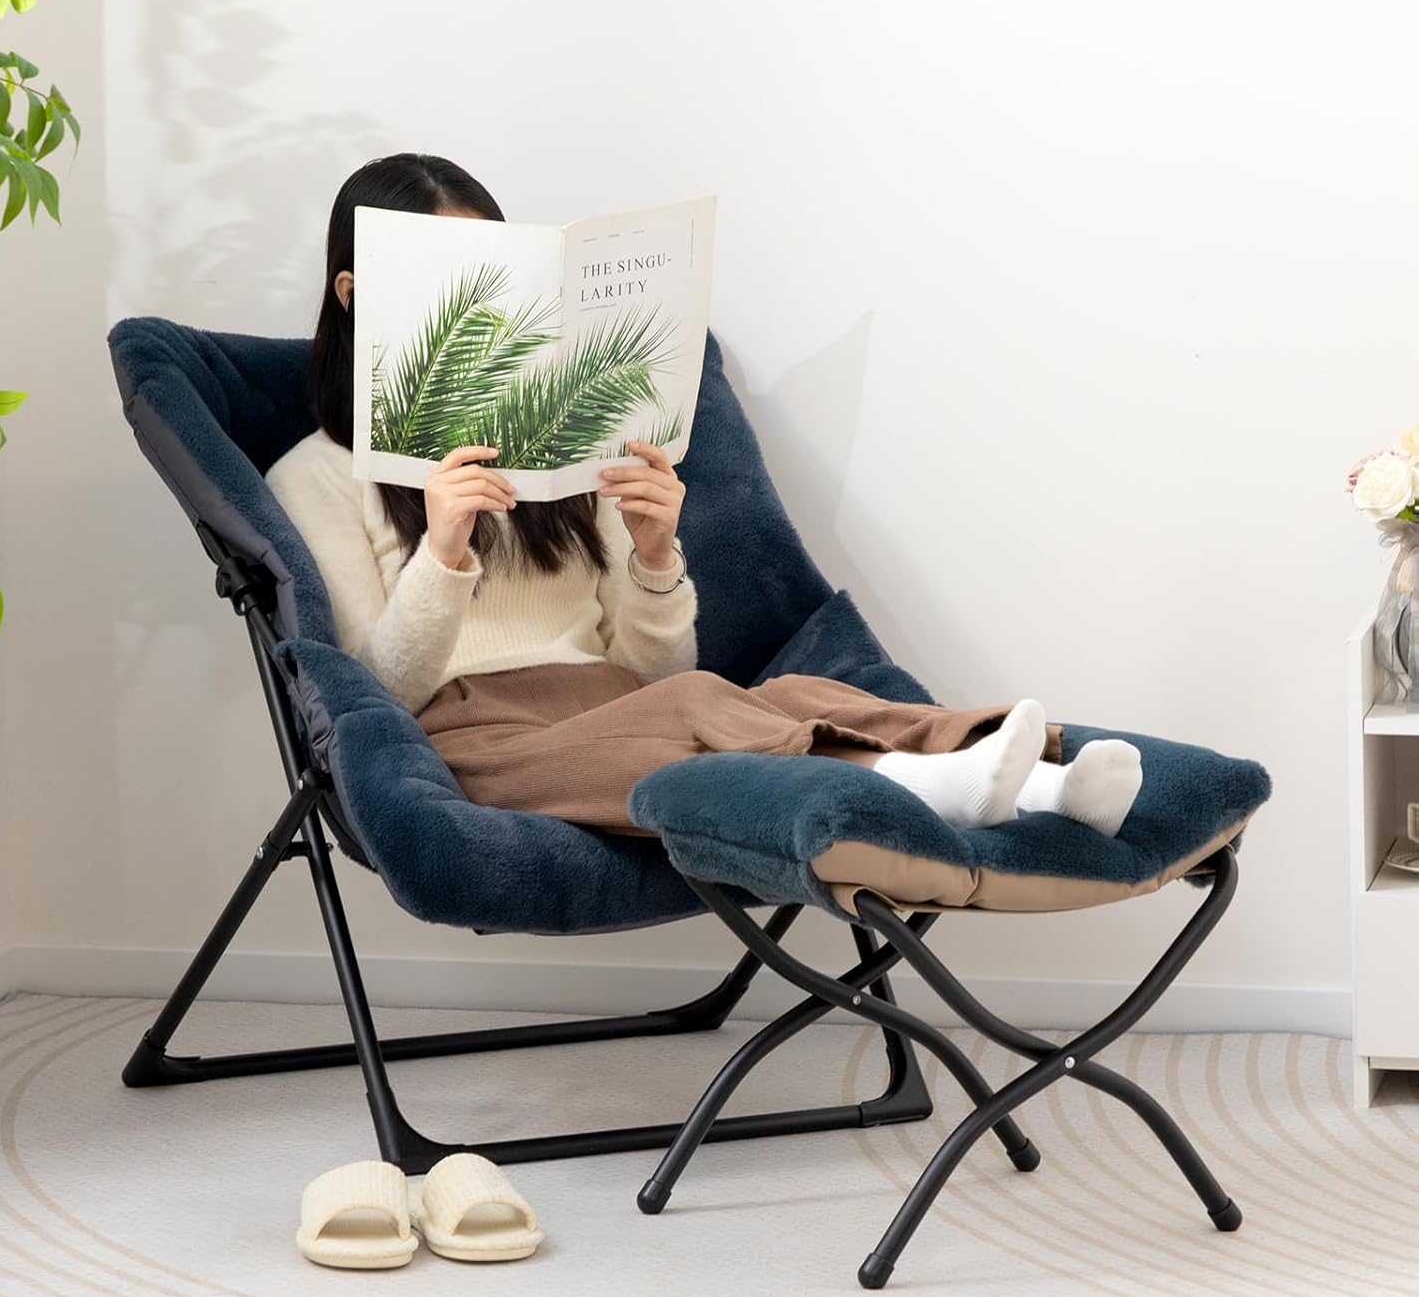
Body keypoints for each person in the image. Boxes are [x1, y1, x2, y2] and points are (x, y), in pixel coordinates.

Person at [266, 154, 1143, 840]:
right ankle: (935, 791)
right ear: (358, 293)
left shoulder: (554, 447)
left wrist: (653, 557)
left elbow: (658, 675)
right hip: (477, 742)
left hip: (617, 704)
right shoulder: (314, 478)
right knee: (700, 713)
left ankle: (1042, 784)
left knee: (793, 695)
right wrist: (444, 553)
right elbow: (372, 695)